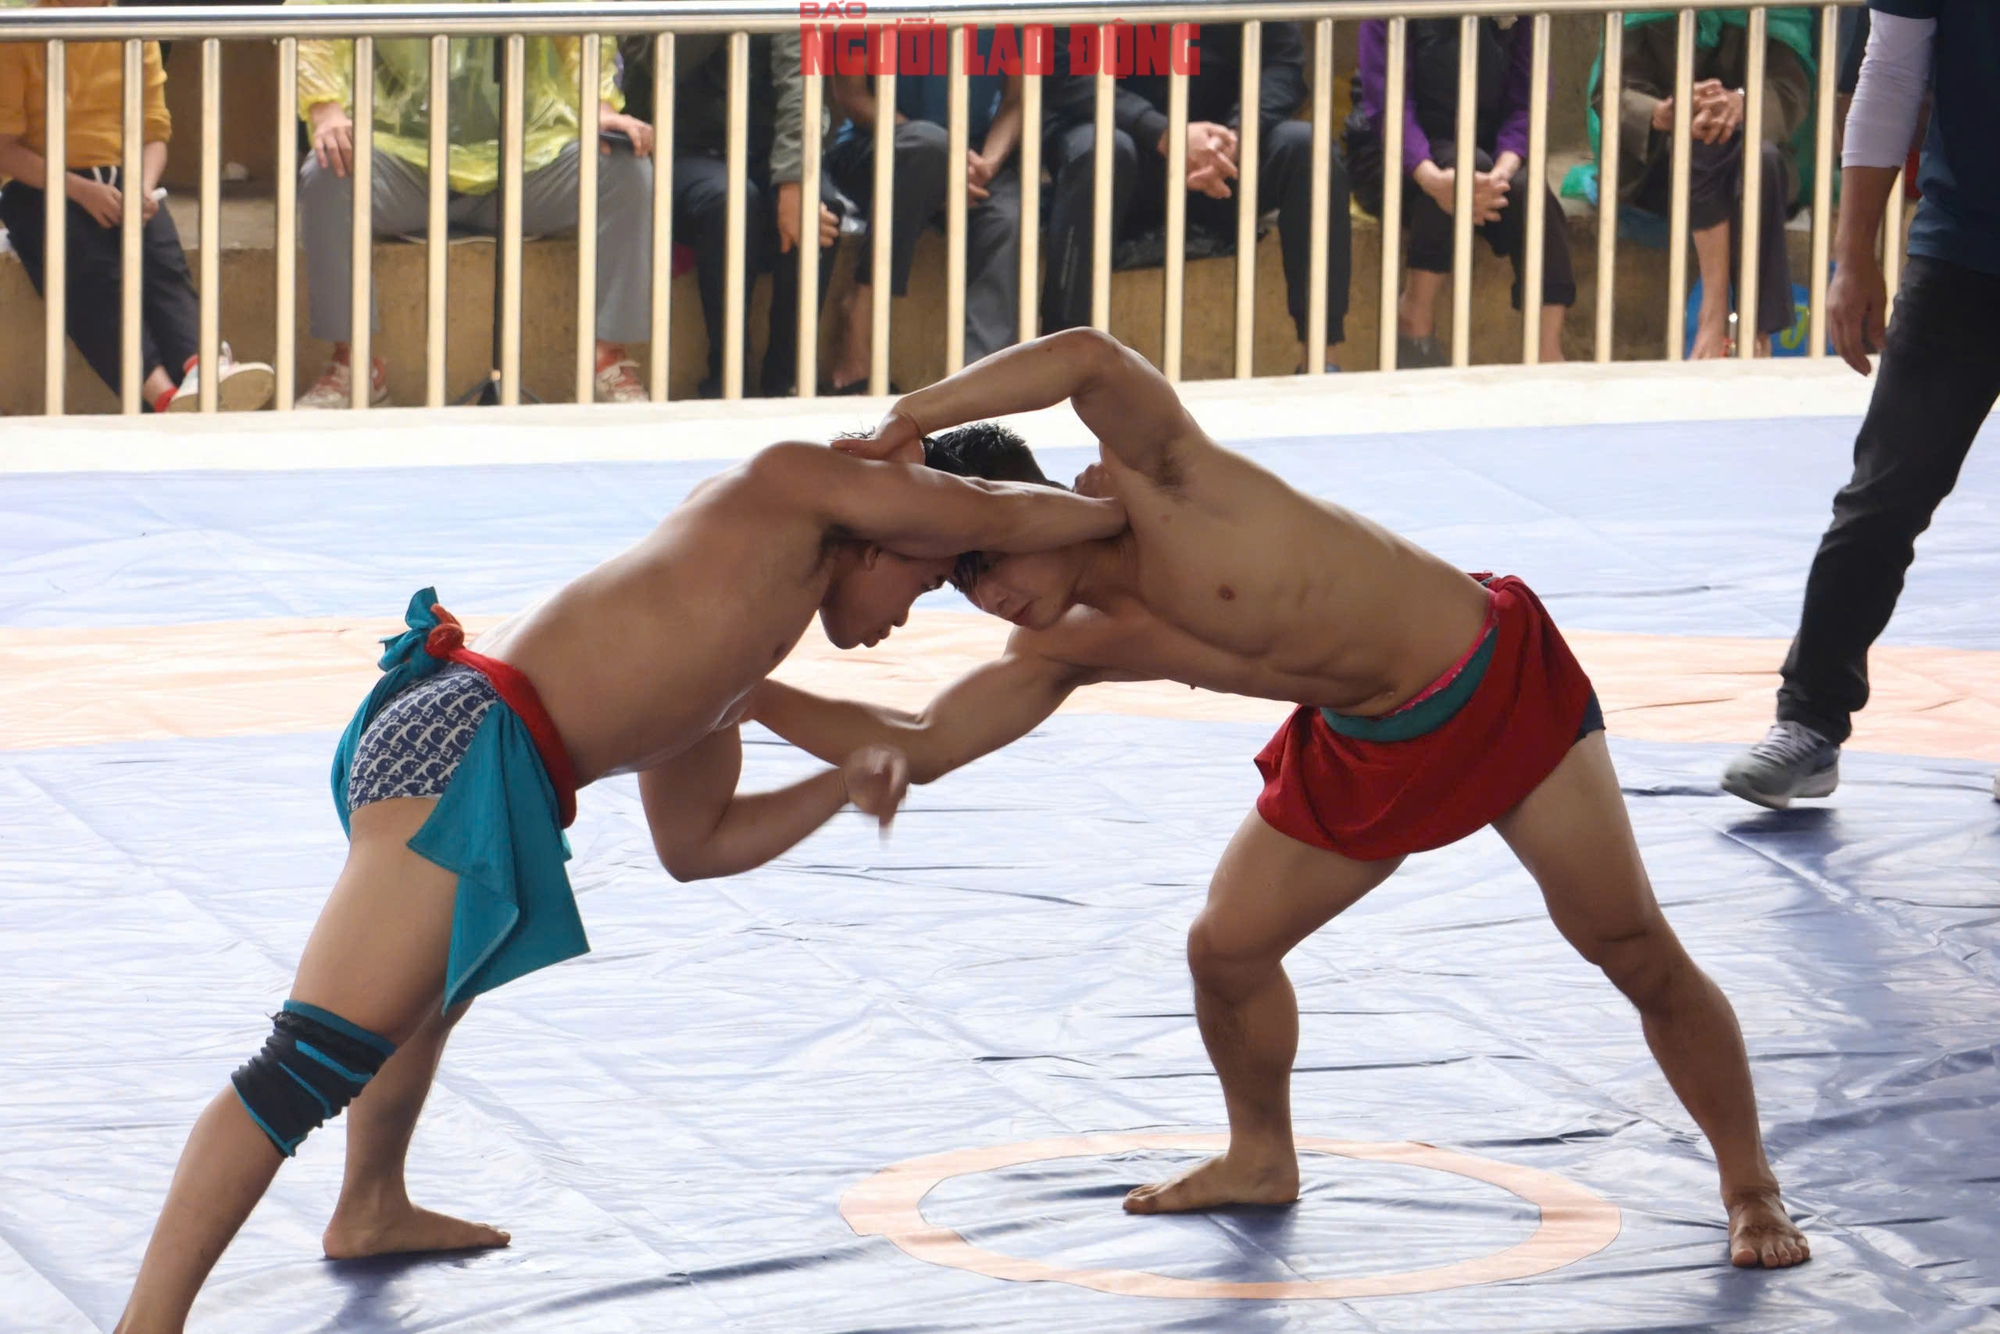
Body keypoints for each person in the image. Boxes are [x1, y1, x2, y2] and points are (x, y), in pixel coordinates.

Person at [752, 327, 1812, 1269]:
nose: (989, 592)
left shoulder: (1165, 479)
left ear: (1034, 507)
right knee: (1225, 947)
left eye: (988, 555)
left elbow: (1084, 356)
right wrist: (744, 689)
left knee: (1627, 943)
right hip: (1358, 741)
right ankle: (1260, 1154)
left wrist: (906, 419)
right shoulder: (1066, 645)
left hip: (1483, 681)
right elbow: (922, 743)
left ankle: (1747, 1182)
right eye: (961, 581)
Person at [108, 437, 1127, 1334]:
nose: (914, 610)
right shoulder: (776, 497)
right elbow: (982, 506)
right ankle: (147, 1319)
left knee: (425, 997)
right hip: (462, 741)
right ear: (881, 535)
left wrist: (834, 786)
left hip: (494, 761)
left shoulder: (730, 665)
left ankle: (371, 1205)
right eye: (928, 577)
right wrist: (1121, 514)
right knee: (309, 1059)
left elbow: (699, 844)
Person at [1721, 0, 2000, 808]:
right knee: (1883, 495)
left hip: (1959, 242)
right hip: (1963, 252)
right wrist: (1852, 258)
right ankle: (1809, 720)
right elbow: (1890, 72)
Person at [291, 0, 658, 407]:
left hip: (527, 164)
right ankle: (355, 365)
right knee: (326, 173)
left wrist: (601, 108)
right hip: (404, 165)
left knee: (625, 171)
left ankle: (605, 361)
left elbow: (577, 25)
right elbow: (315, 16)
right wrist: (325, 111)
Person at [0, 0, 273, 412]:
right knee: (96, 276)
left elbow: (154, 132)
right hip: (40, 187)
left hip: (123, 179)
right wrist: (80, 191)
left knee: (163, 263)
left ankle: (207, 368)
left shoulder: (134, 30)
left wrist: (142, 188)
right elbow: (5, 150)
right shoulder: (20, 32)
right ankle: (162, 398)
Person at [1041, 23, 1352, 373]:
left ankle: (1320, 360)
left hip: (1221, 158)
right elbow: (1063, 69)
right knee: (1099, 151)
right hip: (1125, 147)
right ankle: (1061, 365)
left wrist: (1239, 133)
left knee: (1309, 148)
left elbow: (1283, 64)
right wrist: (1163, 133)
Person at [1347, 16, 1574, 367]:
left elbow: (1527, 101)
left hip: (1483, 150)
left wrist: (1504, 170)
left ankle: (1547, 350)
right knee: (1464, 168)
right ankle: (1413, 317)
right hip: (1391, 151)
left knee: (1529, 191)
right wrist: (1430, 177)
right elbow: (1390, 109)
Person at [1591, 9, 1816, 359]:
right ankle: (1747, 326)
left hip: (1751, 153)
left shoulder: (1779, 7)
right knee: (1713, 146)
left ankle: (1725, 320)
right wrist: (1661, 112)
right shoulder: (1642, 9)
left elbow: (1790, 88)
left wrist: (1743, 103)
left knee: (1762, 157)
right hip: (1660, 166)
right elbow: (1612, 90)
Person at [823, 29, 1025, 394]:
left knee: (1005, 216)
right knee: (928, 146)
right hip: (880, 143)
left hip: (973, 158)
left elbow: (1017, 99)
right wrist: (942, 162)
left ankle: (979, 385)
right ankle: (859, 310)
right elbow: (850, 94)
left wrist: (987, 164)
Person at [670, 31, 838, 399]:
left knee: (821, 206)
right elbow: (648, 66)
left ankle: (788, 379)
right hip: (686, 147)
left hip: (768, 150)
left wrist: (794, 178)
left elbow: (801, 83)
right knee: (729, 201)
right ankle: (728, 378)